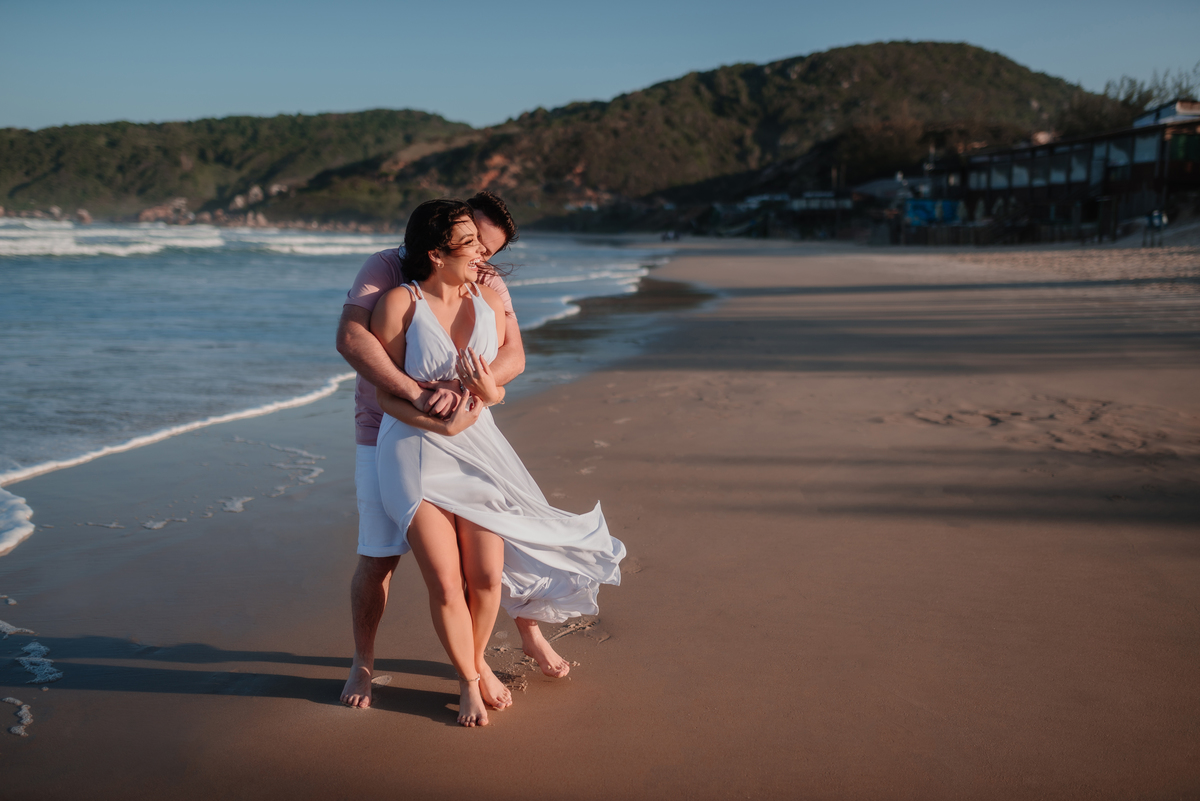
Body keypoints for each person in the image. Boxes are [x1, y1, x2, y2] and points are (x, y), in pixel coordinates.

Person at [370, 199, 624, 725]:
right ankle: (468, 680)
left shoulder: (488, 297)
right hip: (415, 451)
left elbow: (506, 371)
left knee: (486, 576)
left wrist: (492, 394)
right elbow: (384, 395)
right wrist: (436, 420)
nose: (483, 255)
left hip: (479, 449)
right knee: (446, 582)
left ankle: (478, 658)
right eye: (472, 244)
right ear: (437, 253)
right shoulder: (399, 302)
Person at [335, 192, 572, 711]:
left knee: (487, 562)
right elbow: (351, 338)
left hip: (471, 437)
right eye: (476, 242)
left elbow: (512, 355)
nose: (484, 257)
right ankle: (363, 662)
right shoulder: (387, 271)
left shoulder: (487, 283)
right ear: (443, 240)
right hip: (386, 432)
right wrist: (420, 395)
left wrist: (477, 392)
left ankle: (496, 650)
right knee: (380, 558)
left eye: (492, 250)